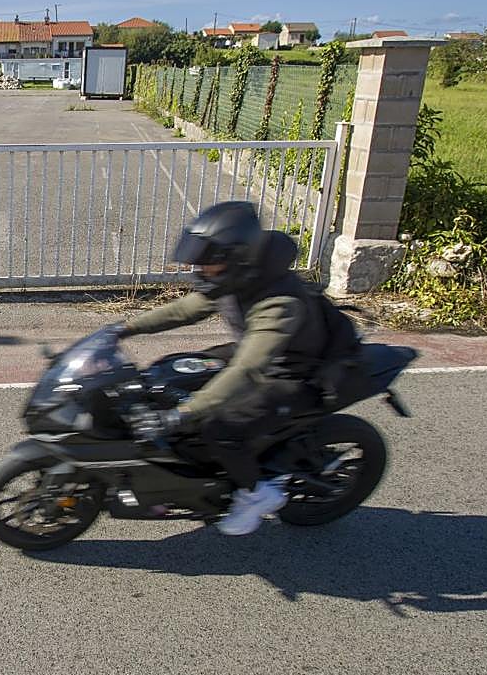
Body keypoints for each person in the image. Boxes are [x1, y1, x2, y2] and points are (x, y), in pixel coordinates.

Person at [117, 201, 329, 536]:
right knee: (174, 373)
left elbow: (247, 370)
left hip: (292, 374)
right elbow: (188, 308)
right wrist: (125, 327)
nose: (200, 268)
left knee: (219, 426)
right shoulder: (239, 276)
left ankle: (257, 493)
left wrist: (183, 413)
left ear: (236, 258)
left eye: (207, 262)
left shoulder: (278, 303)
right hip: (259, 353)